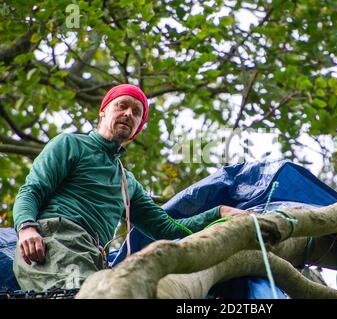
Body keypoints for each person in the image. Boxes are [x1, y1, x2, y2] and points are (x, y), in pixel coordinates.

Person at [12, 84, 246, 291]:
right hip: (56, 244)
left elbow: (166, 227)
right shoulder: (71, 145)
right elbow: (32, 190)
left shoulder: (127, 182)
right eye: (122, 106)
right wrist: (26, 228)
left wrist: (219, 214)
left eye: (136, 113)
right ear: (102, 111)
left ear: (136, 131)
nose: (128, 114)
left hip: (92, 258)